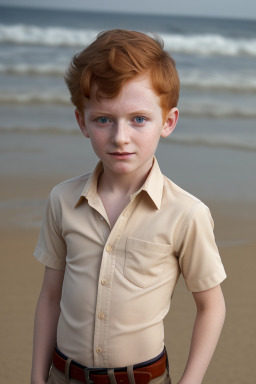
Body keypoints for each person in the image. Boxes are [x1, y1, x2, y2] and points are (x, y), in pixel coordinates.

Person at [31, 29, 226, 384]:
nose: (120, 137)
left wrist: (190, 382)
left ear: (167, 122)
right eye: (103, 119)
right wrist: (36, 377)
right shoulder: (62, 200)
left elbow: (211, 306)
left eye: (139, 119)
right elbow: (50, 296)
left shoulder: (187, 213)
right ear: (82, 122)